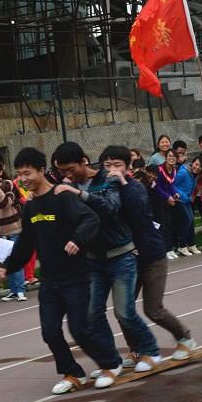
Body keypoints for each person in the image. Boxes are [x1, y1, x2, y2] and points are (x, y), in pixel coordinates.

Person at [0, 147, 121, 393]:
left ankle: (110, 364)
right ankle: (72, 373)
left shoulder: (62, 196)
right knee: (50, 332)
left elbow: (91, 219)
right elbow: (26, 245)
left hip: (76, 277)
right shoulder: (31, 207)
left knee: (80, 329)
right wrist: (8, 267)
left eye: (28, 173)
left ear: (42, 170)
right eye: (20, 174)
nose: (24, 179)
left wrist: (77, 239)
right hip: (50, 282)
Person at [53, 142, 161, 376]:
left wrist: (78, 193)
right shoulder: (65, 186)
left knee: (124, 311)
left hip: (121, 255)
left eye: (70, 169)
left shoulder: (107, 178)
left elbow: (111, 208)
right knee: (92, 313)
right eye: (61, 171)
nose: (66, 175)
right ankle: (111, 361)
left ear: (84, 161)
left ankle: (150, 351)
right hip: (93, 259)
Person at [101, 146, 197, 360]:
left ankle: (185, 338)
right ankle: (136, 350)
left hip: (152, 256)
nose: (112, 170)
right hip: (127, 259)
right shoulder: (105, 191)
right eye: (107, 165)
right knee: (122, 311)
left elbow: (138, 212)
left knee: (153, 309)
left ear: (127, 167)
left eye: (117, 165)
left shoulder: (135, 187)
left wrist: (124, 184)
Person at [0, 160, 27, 302]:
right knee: (6, 260)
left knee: (15, 259)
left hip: (15, 228)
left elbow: (5, 203)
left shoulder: (8, 184)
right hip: (1, 232)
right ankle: (13, 290)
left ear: (0, 173)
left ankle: (20, 290)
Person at [172, 153, 200, 256]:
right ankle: (182, 246)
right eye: (196, 164)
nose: (197, 167)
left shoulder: (195, 175)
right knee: (186, 220)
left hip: (187, 200)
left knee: (191, 221)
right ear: (192, 163)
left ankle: (191, 244)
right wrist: (183, 196)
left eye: (199, 166)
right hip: (179, 200)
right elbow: (173, 184)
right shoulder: (183, 172)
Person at [154, 150, 179, 258]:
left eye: (174, 156)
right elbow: (157, 186)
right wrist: (167, 196)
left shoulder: (173, 170)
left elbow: (170, 185)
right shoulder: (160, 169)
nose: (171, 158)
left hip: (167, 201)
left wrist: (175, 193)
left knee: (170, 224)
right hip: (158, 200)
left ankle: (170, 248)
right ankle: (164, 250)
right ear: (166, 157)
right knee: (162, 225)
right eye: (169, 156)